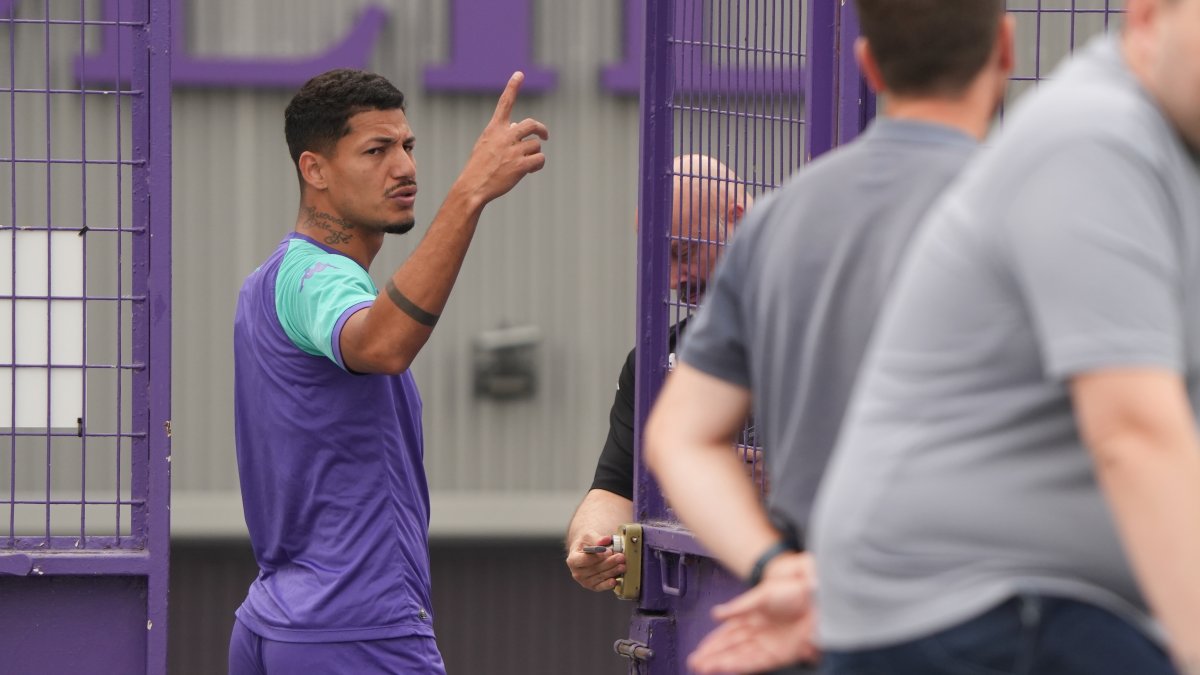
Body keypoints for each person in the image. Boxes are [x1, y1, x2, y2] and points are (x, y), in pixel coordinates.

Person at [810, 0, 1200, 672]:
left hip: (1023, 600)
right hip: (975, 607)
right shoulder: (1096, 136)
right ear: (1144, 20)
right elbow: (1134, 431)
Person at [642, 1, 1015, 672]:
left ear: (867, 61)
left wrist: (773, 565)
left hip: (831, 621)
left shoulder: (779, 222)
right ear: (1007, 49)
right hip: (1000, 616)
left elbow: (678, 435)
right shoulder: (1034, 205)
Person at [228, 68, 548, 674]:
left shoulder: (268, 282)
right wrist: (469, 194)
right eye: (376, 150)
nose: (404, 167)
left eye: (407, 146)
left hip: (281, 624)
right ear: (314, 169)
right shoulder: (315, 277)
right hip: (351, 628)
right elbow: (383, 343)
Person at [564, 155, 752, 593]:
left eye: (684, 252)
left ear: (737, 220)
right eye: (657, 260)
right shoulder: (657, 359)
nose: (671, 280)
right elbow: (615, 486)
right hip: (698, 598)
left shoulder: (823, 329)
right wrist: (590, 542)